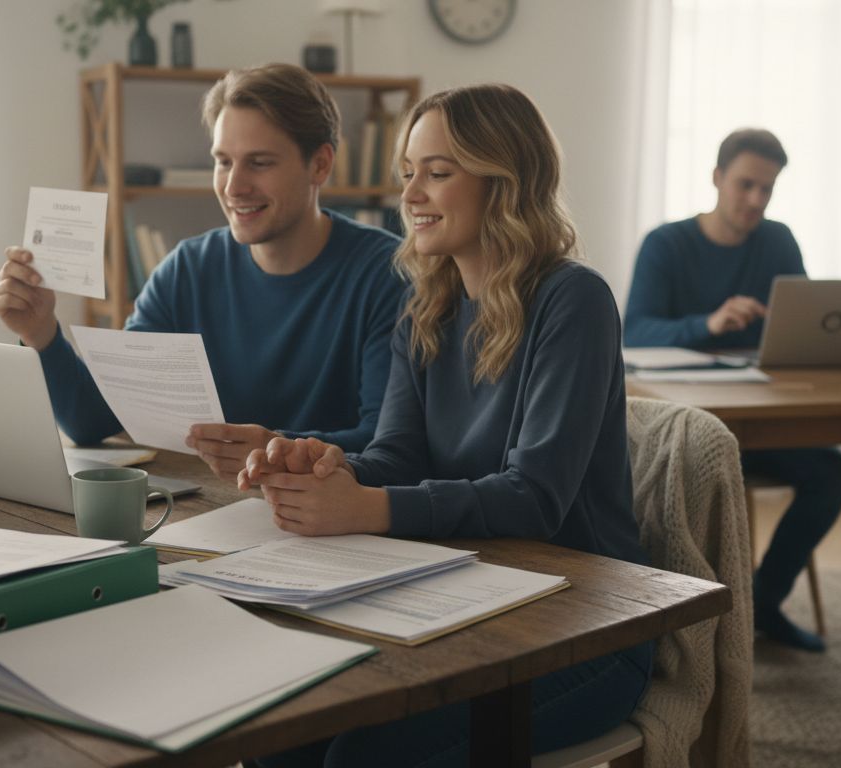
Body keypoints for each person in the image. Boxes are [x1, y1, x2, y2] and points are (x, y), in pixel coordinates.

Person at [238, 84, 652, 767]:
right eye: (408, 173)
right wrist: (325, 465)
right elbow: (397, 458)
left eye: (437, 172)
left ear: (504, 182)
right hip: (468, 597)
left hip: (588, 626)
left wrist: (368, 507)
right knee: (281, 727)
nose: (410, 195)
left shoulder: (573, 301)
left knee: (360, 759)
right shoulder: (426, 308)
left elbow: (535, 498)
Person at [0, 64, 403, 480]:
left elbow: (387, 442)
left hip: (331, 509)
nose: (234, 186)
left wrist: (277, 447)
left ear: (320, 165)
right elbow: (93, 420)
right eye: (223, 162)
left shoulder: (386, 274)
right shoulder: (186, 270)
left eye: (259, 163)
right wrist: (41, 333)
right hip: (211, 503)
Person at [623, 128, 841, 652]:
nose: (755, 200)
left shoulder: (778, 241)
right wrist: (708, 323)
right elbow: (634, 331)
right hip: (687, 426)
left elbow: (806, 323)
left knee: (834, 473)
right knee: (690, 484)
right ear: (717, 178)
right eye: (745, 185)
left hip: (762, 419)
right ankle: (688, 622)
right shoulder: (666, 243)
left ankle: (761, 603)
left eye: (766, 189)